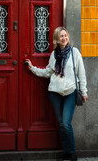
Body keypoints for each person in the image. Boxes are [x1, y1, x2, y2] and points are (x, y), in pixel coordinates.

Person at [25, 27, 88, 161]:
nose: (64, 38)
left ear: (68, 37)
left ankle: (72, 152)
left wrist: (84, 91)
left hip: (70, 92)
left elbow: (81, 73)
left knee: (66, 123)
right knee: (61, 123)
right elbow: (48, 72)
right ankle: (66, 151)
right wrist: (32, 68)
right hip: (55, 93)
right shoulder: (54, 55)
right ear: (56, 39)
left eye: (65, 35)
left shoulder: (74, 52)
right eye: (61, 36)